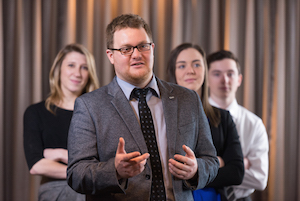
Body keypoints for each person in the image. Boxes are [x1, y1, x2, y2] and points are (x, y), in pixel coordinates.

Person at [66, 14, 219, 201]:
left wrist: (196, 170)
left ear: (152, 48)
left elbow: (211, 160)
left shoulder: (188, 99)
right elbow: (76, 174)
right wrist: (114, 171)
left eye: (143, 46)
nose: (136, 54)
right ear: (111, 55)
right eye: (126, 49)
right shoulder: (89, 106)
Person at [167, 43, 244, 201]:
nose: (191, 71)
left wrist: (195, 172)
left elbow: (236, 173)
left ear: (205, 70)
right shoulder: (161, 116)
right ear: (173, 73)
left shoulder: (223, 118)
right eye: (182, 66)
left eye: (197, 64)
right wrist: (214, 164)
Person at [23, 43, 100, 201]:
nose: (77, 73)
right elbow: (37, 165)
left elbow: (105, 160)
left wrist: (60, 154)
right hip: (56, 192)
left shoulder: (98, 113)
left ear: (90, 74)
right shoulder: (36, 112)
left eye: (84, 67)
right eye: (71, 65)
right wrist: (84, 171)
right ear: (58, 70)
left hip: (95, 190)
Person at [206, 50, 269, 201]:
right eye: (216, 74)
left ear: (239, 79)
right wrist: (237, 166)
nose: (224, 80)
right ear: (206, 79)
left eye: (230, 74)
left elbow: (260, 179)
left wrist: (219, 166)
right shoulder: (195, 117)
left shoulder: (254, 124)